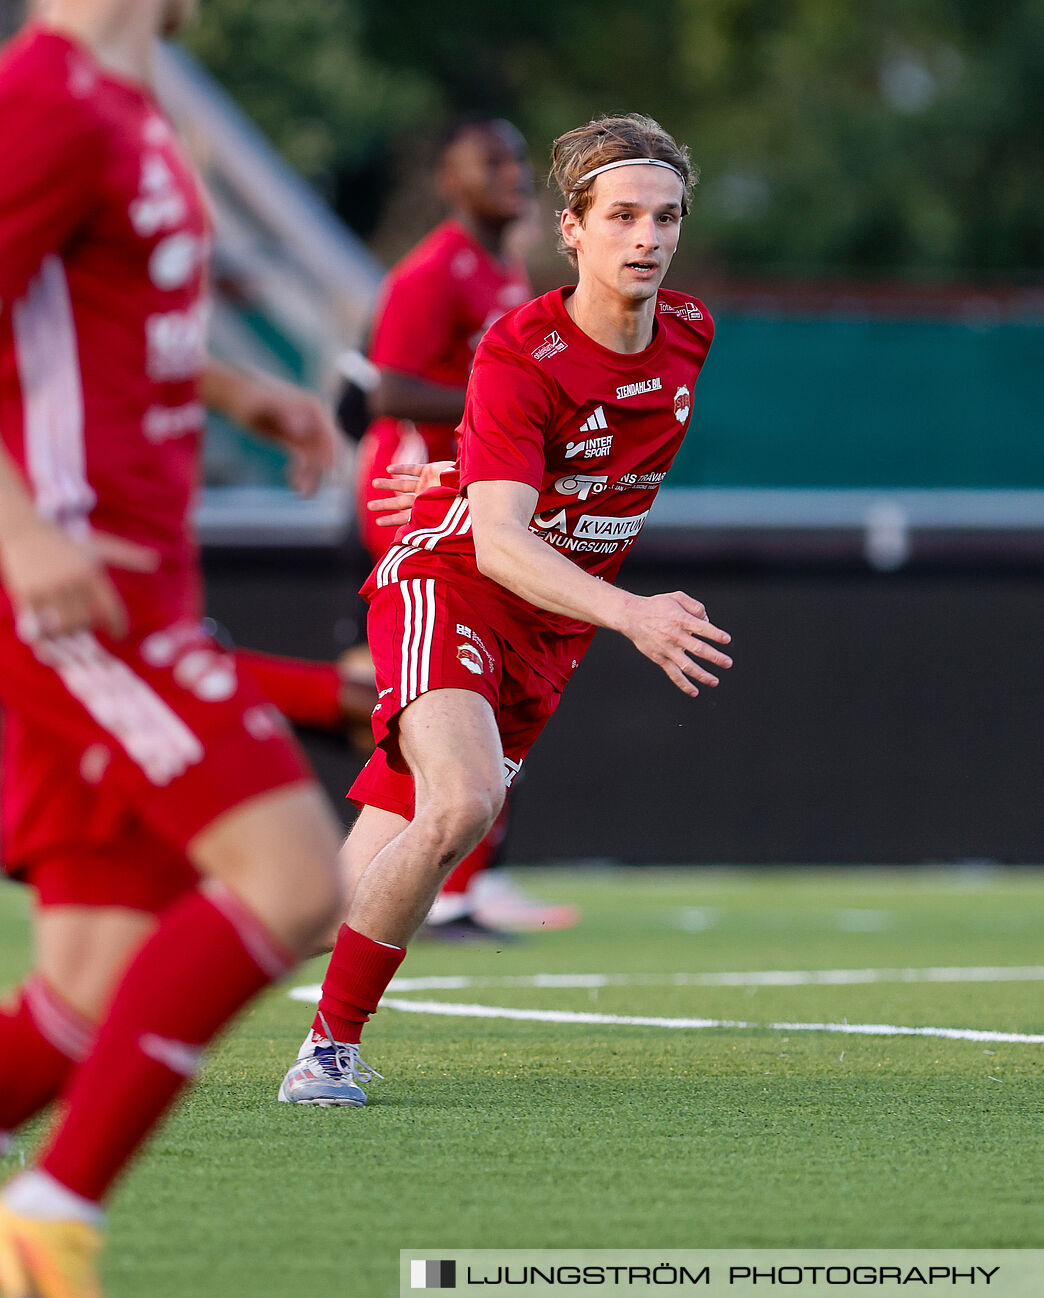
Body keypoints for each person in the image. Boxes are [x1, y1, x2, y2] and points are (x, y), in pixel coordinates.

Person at [281, 112, 732, 1107]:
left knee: (324, 905)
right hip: (453, 581)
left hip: (547, 624)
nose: (646, 237)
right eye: (620, 215)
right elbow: (499, 539)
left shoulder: (691, 332)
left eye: (664, 216)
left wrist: (467, 471)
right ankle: (325, 1053)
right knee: (463, 799)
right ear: (570, 230)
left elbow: (568, 458)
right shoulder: (517, 345)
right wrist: (632, 613)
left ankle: (132, 975)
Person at [0, 1, 345, 1293]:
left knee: (82, 994)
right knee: (299, 876)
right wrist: (23, 534)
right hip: (79, 593)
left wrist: (232, 387)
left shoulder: (130, 102)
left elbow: (94, 309)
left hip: (132, 582)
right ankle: (49, 1218)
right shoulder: (44, 98)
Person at [354, 114, 572, 940]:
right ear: (449, 180)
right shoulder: (431, 272)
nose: (512, 173)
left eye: (517, 160)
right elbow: (389, 391)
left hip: (477, 492)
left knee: (501, 675)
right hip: (414, 497)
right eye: (491, 162)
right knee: (448, 684)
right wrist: (512, 409)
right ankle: (444, 884)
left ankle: (471, 872)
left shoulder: (504, 267)